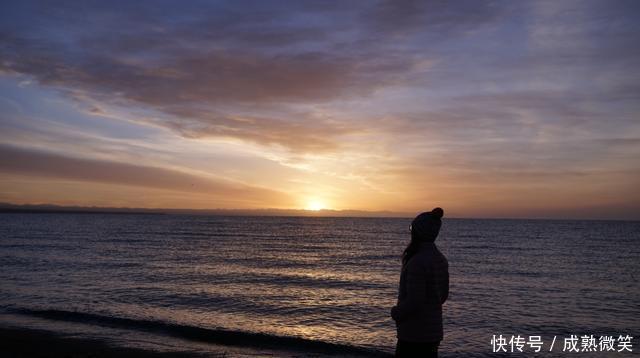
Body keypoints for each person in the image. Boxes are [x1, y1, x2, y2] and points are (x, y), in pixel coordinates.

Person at [391, 207, 449, 358]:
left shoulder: (417, 261)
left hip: (414, 334)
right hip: (433, 333)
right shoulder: (440, 259)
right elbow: (442, 296)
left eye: (412, 228)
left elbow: (415, 301)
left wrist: (396, 313)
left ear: (417, 232)